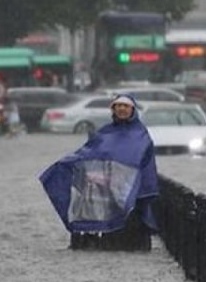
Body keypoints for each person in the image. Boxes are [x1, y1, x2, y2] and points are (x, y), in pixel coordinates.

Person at [39, 93, 159, 251]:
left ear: (133, 109)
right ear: (113, 109)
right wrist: (66, 164)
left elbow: (143, 162)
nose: (122, 109)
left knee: (130, 240)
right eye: (118, 106)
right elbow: (88, 154)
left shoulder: (141, 135)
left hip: (131, 197)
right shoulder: (104, 133)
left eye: (126, 106)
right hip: (105, 194)